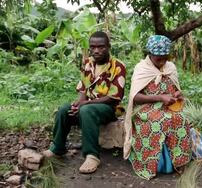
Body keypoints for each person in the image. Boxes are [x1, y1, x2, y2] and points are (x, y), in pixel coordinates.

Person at [43, 31, 126, 174]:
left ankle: (92, 155)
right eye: (93, 47)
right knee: (64, 109)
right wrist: (78, 103)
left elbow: (114, 97)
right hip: (87, 107)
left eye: (101, 47)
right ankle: (57, 148)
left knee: (87, 110)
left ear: (109, 47)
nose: (96, 50)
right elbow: (83, 88)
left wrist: (85, 104)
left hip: (109, 109)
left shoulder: (118, 66)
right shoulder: (88, 63)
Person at [123, 35, 191, 180]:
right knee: (159, 121)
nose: (162, 62)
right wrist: (160, 98)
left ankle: (179, 162)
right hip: (145, 108)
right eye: (158, 58)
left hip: (168, 106)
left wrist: (177, 93)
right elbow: (135, 97)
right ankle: (150, 163)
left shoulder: (170, 67)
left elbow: (174, 88)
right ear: (150, 54)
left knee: (181, 119)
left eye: (165, 58)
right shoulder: (142, 68)